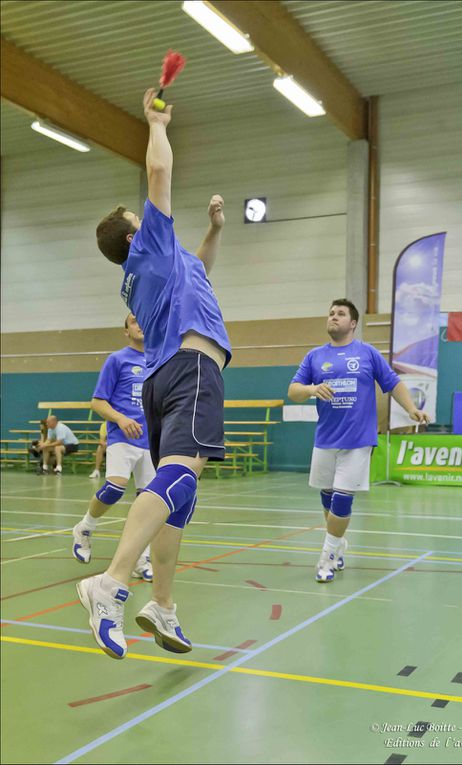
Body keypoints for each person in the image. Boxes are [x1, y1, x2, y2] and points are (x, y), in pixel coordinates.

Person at [76, 87, 231, 661]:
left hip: (163, 378)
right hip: (192, 367)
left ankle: (162, 605)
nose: (148, 214)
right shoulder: (148, 246)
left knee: (177, 494)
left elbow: (200, 272)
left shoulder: (152, 268)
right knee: (180, 479)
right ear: (133, 234)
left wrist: (213, 230)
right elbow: (158, 169)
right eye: (139, 217)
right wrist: (156, 124)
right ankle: (111, 583)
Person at [288, 299, 430, 583]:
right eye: (331, 313)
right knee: (327, 498)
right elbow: (293, 391)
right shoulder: (315, 356)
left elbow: (393, 383)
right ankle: (339, 544)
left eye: (340, 314)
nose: (334, 317)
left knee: (342, 500)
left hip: (358, 440)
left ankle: (327, 558)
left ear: (353, 323)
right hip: (325, 439)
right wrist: (312, 389)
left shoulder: (367, 353)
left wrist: (411, 408)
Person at [72, 313, 154, 583]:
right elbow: (97, 402)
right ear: (126, 331)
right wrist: (120, 418)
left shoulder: (159, 360)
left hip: (151, 441)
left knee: (149, 505)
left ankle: (141, 559)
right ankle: (85, 527)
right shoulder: (117, 360)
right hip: (122, 436)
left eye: (143, 318)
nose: (139, 323)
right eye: (133, 320)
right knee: (115, 488)